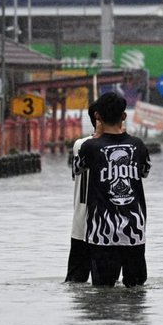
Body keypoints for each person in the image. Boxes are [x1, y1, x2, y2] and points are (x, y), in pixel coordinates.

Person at [76, 91, 153, 287]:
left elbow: (77, 169)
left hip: (101, 232)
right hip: (134, 230)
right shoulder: (138, 146)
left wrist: (98, 137)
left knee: (102, 293)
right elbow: (144, 172)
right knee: (136, 292)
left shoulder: (90, 147)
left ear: (97, 116)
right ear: (124, 116)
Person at [65, 103, 100, 283]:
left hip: (79, 224)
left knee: (75, 281)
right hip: (101, 227)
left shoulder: (80, 144)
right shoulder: (88, 145)